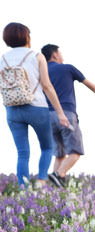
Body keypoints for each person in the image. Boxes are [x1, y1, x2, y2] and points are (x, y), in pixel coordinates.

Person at [3, 23, 70, 188]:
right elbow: (47, 86)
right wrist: (60, 113)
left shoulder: (2, 58)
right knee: (47, 147)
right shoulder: (37, 56)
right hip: (36, 108)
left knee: (22, 153)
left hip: (12, 109)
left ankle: (23, 189)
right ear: (26, 37)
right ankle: (40, 181)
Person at [40, 43, 95, 187]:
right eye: (60, 53)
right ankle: (58, 174)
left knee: (59, 154)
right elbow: (89, 84)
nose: (61, 56)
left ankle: (56, 187)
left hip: (47, 117)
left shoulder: (41, 72)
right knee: (76, 151)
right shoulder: (67, 68)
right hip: (66, 114)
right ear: (54, 55)